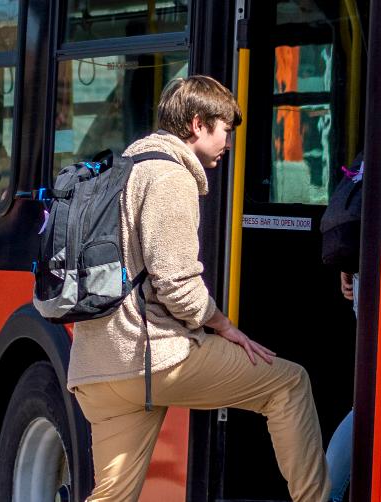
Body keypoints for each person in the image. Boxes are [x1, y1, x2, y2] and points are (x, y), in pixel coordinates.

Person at [68, 76, 330, 502]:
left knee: (111, 497)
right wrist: (224, 326)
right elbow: (176, 282)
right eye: (226, 129)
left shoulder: (123, 170)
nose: (228, 142)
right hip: (153, 358)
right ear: (197, 124)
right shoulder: (170, 178)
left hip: (98, 366)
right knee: (289, 385)